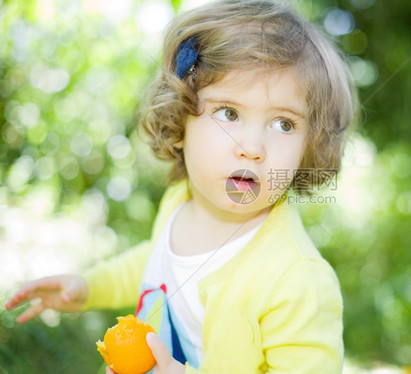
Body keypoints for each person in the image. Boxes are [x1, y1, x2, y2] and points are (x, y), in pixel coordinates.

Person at [5, 0, 356, 372]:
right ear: (180, 119)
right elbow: (157, 261)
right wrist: (89, 287)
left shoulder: (296, 280)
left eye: (283, 124)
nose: (253, 148)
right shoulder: (180, 202)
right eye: (229, 113)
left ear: (310, 146)